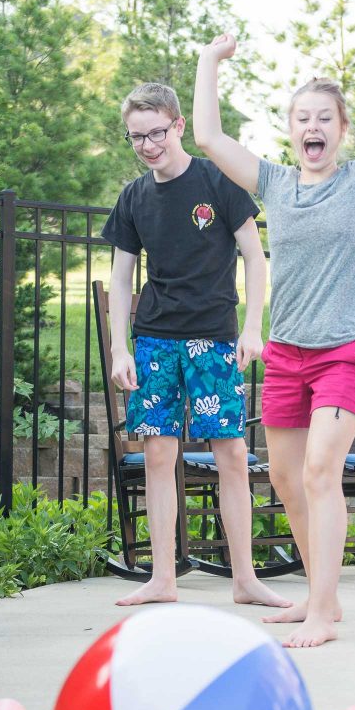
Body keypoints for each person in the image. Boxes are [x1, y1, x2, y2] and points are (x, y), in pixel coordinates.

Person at [194, 38, 355, 647]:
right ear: (291, 130)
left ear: (341, 130)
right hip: (286, 353)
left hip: (343, 351)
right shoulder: (275, 182)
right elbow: (208, 137)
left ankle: (321, 611)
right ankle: (322, 596)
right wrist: (210, 62)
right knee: (285, 479)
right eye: (302, 118)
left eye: (324, 119)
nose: (313, 127)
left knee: (319, 472)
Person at [102, 82, 292, 610]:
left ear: (179, 125)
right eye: (136, 136)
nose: (147, 145)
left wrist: (253, 327)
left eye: (156, 132)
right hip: (156, 340)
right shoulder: (134, 197)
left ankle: (246, 579)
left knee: (230, 453)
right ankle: (163, 578)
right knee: (159, 454)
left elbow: (255, 257)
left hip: (213, 338)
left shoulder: (218, 180)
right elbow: (121, 280)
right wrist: (121, 348)